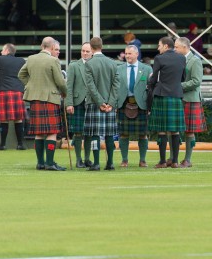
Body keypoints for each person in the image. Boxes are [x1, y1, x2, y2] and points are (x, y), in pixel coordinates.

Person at [18, 37, 68, 170]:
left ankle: (40, 163)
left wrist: (31, 86)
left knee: (39, 133)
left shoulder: (31, 58)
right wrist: (65, 92)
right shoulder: (53, 60)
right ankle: (50, 163)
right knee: (52, 132)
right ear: (51, 47)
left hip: (35, 99)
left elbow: (21, 75)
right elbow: (60, 82)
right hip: (50, 99)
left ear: (42, 45)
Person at [148, 36, 186, 168]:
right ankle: (175, 161)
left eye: (159, 45)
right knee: (175, 131)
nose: (158, 48)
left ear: (165, 46)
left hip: (162, 95)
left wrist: (150, 87)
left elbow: (153, 78)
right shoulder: (182, 58)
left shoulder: (159, 58)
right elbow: (183, 77)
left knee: (162, 131)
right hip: (176, 95)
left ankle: (163, 161)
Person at [83, 37, 120, 171]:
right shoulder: (112, 63)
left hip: (94, 104)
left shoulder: (89, 64)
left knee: (94, 134)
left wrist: (100, 102)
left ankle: (96, 163)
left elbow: (91, 86)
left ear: (91, 48)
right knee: (110, 134)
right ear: (102, 47)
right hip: (110, 105)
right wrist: (110, 103)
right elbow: (116, 85)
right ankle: (110, 163)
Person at [116, 44, 152, 167]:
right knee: (123, 134)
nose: (127, 56)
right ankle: (124, 160)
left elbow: (150, 89)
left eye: (130, 53)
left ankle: (142, 160)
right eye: (126, 54)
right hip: (123, 104)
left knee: (143, 134)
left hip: (141, 105)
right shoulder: (118, 68)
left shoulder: (147, 69)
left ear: (137, 54)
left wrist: (149, 106)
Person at [174, 37, 207, 167]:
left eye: (176, 47)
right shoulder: (178, 60)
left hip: (191, 99)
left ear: (184, 47)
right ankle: (174, 158)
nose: (175, 49)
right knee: (174, 129)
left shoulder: (195, 61)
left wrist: (178, 86)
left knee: (189, 131)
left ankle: (188, 159)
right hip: (178, 98)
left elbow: (196, 81)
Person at [0, 43, 27, 150]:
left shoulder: (0, 59)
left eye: (2, 50)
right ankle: (20, 144)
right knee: (18, 119)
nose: (1, 52)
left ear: (7, 50)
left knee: (4, 119)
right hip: (17, 91)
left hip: (4, 91)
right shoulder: (21, 61)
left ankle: (2, 144)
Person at [65, 42, 93, 168]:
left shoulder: (96, 65)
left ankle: (87, 159)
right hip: (78, 103)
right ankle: (78, 160)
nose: (85, 53)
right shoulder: (73, 66)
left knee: (89, 133)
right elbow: (68, 86)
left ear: (92, 52)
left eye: (87, 51)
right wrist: (69, 103)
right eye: (83, 51)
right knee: (78, 133)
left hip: (92, 102)